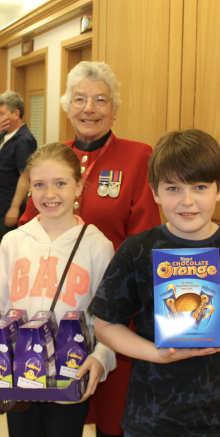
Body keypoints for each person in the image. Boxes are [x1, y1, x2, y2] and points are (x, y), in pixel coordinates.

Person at [19, 61, 161, 437]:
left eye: (101, 99)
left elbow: (144, 238)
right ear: (67, 107)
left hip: (114, 310)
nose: (90, 108)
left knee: (110, 415)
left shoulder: (137, 157)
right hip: (53, 305)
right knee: (52, 414)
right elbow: (26, 228)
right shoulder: (53, 156)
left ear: (114, 108)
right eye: (80, 99)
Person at [89, 129, 220, 437]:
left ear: (218, 189)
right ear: (155, 191)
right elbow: (105, 325)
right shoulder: (137, 249)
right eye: (173, 188)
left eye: (200, 187)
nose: (187, 201)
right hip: (153, 416)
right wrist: (155, 353)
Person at [0, 142, 116, 437]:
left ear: (78, 187)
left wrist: (101, 357)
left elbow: (110, 319)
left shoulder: (97, 246)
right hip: (19, 373)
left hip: (70, 372)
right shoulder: (13, 242)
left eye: (60, 183)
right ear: (30, 189)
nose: (49, 194)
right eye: (39, 185)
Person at [0, 91, 37, 247]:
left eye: (1, 113)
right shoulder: (3, 135)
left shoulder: (25, 140)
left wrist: (14, 209)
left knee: (7, 250)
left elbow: (25, 175)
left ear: (16, 113)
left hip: (8, 207)